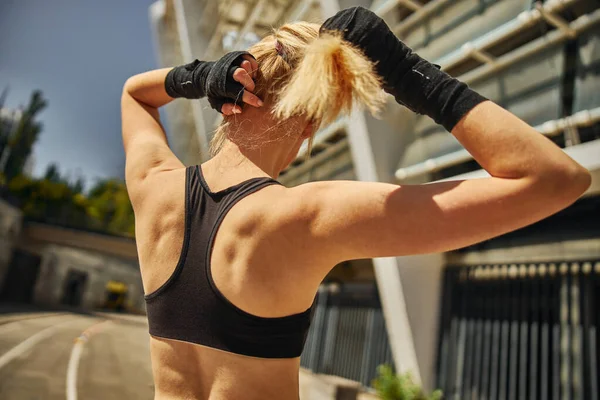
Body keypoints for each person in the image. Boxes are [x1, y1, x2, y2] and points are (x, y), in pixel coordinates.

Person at [121, 7, 590, 400]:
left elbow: (135, 95)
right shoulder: (308, 216)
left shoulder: (155, 189)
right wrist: (408, 73)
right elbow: (554, 179)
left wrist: (194, 75)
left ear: (224, 96)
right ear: (309, 122)